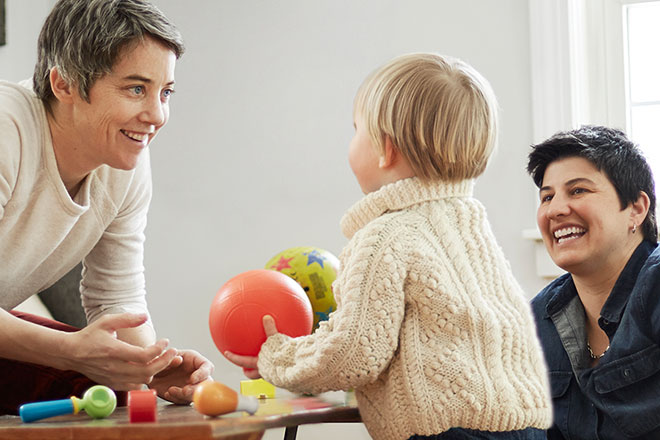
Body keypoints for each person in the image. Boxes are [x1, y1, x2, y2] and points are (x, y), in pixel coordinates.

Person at [226, 53, 552, 439]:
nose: (350, 141)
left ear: (386, 148)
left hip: (447, 432)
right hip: (523, 425)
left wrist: (277, 356)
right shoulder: (470, 228)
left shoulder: (384, 238)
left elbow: (355, 352)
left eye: (355, 129)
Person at [0, 0, 213, 414]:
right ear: (64, 85)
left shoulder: (123, 157)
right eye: (136, 89)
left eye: (164, 92)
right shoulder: (6, 132)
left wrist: (148, 370)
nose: (156, 115)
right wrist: (70, 351)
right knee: (85, 376)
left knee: (111, 392)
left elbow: (118, 298)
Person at [526, 125, 660, 439]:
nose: (556, 209)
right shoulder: (536, 318)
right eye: (547, 197)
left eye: (578, 190)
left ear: (636, 209)